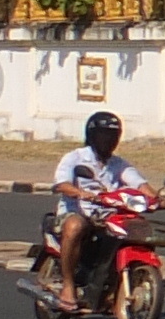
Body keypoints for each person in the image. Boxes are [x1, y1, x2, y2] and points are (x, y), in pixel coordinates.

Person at [47, 112, 146, 305]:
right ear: (92, 136)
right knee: (76, 226)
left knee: (136, 227)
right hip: (76, 211)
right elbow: (61, 184)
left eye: (113, 135)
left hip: (107, 216)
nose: (109, 140)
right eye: (104, 134)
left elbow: (140, 184)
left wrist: (156, 198)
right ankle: (68, 285)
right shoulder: (75, 158)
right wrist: (80, 193)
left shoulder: (118, 164)